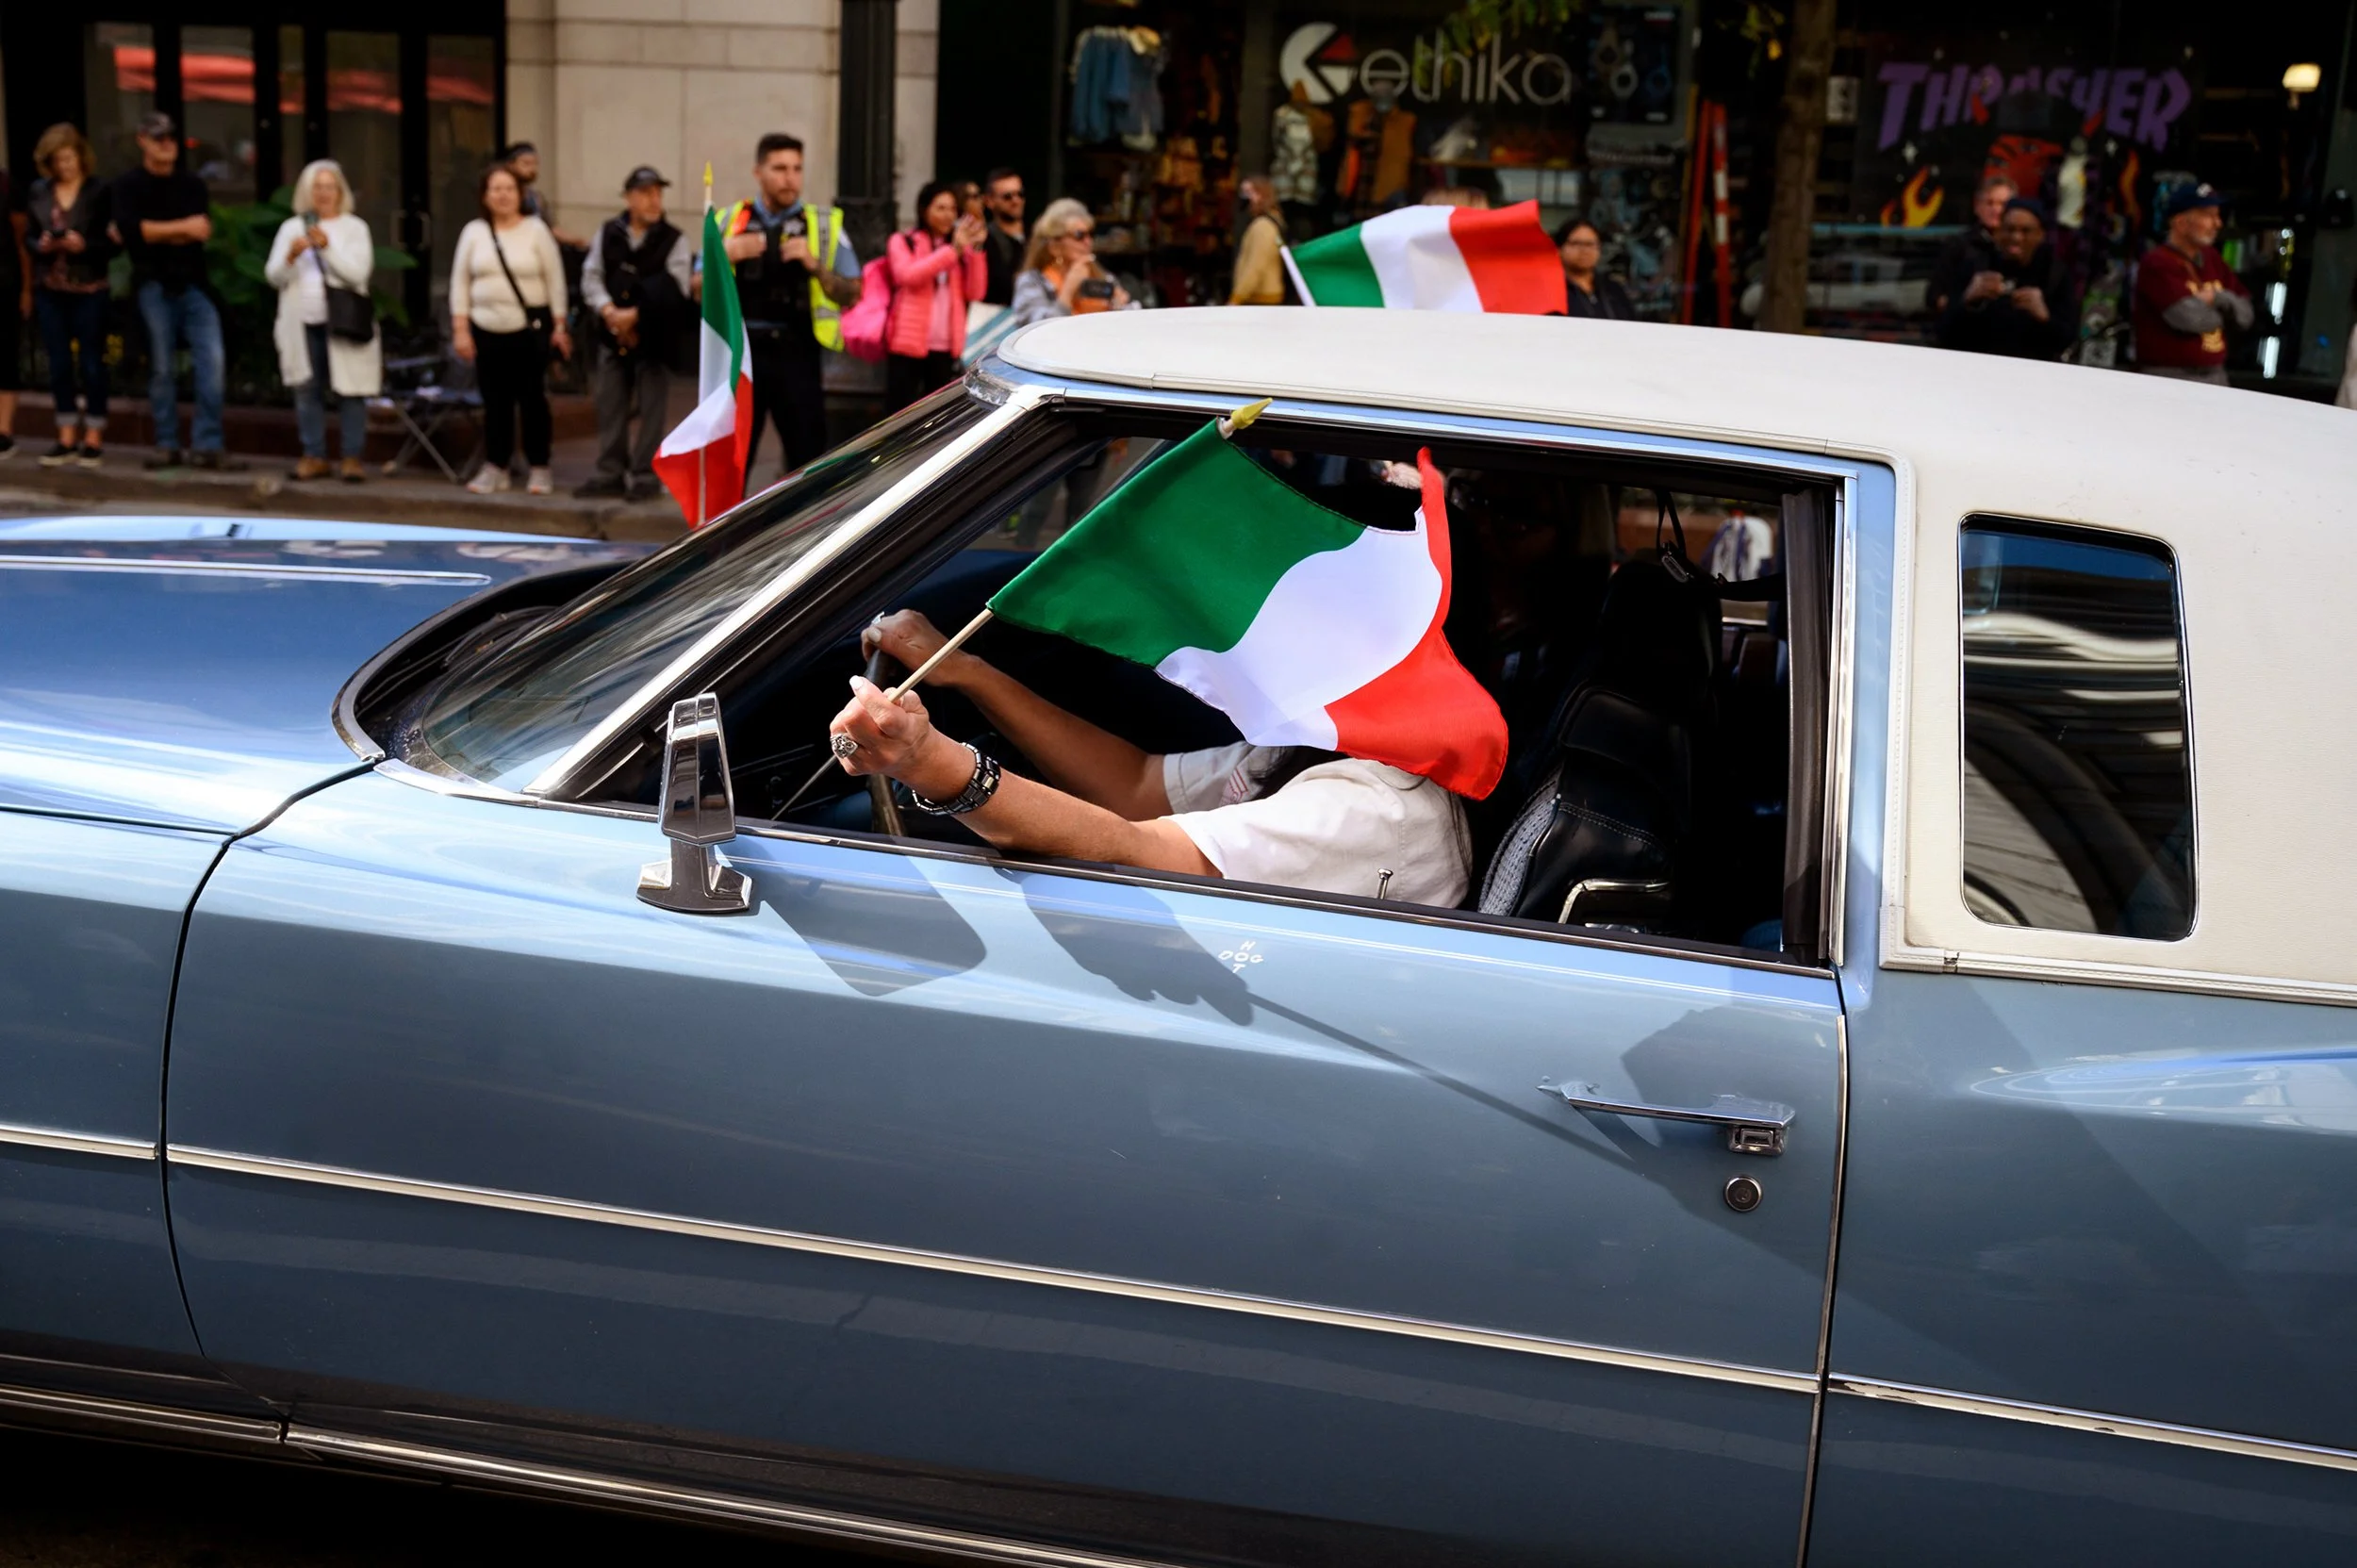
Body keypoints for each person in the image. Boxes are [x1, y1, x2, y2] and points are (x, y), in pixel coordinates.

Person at [827, 609, 1473, 906]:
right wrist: (969, 672)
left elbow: (1133, 848)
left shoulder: (1377, 808)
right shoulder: (1332, 743)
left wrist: (930, 762)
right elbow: (1136, 787)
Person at [111, 112, 241, 471]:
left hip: (194, 283)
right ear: (142, 140)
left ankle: (208, 443)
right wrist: (177, 229)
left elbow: (200, 231)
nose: (167, 144)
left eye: (170, 137)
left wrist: (155, 231)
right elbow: (132, 233)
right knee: (162, 366)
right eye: (159, 138)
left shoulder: (192, 184)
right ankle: (166, 443)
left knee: (212, 360)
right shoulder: (127, 185)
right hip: (152, 283)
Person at [450, 162, 571, 494]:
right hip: (485, 329)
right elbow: (460, 282)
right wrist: (460, 329)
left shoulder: (536, 230)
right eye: (496, 189)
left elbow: (555, 280)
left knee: (532, 400)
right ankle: (496, 466)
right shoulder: (474, 232)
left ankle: (539, 467)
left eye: (509, 189)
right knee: (494, 402)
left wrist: (560, 325)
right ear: (485, 196)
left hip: (529, 329)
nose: (502, 195)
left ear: (520, 194)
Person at [263, 160, 382, 483]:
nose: (323, 193)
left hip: (343, 321)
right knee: (306, 389)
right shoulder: (291, 228)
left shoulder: (355, 228)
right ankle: (314, 455)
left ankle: (351, 458)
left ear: (340, 191)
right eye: (317, 187)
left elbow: (358, 274)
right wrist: (291, 256)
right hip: (303, 321)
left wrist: (326, 248)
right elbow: (273, 276)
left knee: (351, 389)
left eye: (330, 187)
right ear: (307, 191)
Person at [578, 165, 691, 499]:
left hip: (653, 338)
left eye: (658, 193)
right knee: (610, 405)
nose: (654, 200)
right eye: (645, 193)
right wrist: (609, 312)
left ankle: (645, 475)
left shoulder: (674, 238)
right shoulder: (608, 232)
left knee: (652, 410)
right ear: (629, 198)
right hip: (611, 334)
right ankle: (609, 472)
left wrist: (636, 316)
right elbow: (592, 276)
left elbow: (677, 287)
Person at [25, 124, 110, 469]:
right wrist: (42, 245)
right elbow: (29, 237)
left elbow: (112, 242)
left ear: (81, 157)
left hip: (89, 287)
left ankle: (94, 436)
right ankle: (65, 435)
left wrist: (84, 245)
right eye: (58, 160)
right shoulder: (39, 191)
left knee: (91, 362)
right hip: (51, 287)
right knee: (58, 363)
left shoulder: (98, 191)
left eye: (69, 158)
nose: (65, 166)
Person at [2133, 183, 2252, 386]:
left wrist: (2217, 298)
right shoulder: (2158, 262)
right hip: (2169, 377)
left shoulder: (2212, 258)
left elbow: (2246, 315)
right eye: (2208, 216)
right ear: (2180, 222)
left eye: (2217, 215)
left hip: (2215, 375)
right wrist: (2228, 313)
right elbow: (2189, 319)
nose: (2218, 223)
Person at [883, 181, 989, 411]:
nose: (948, 215)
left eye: (952, 209)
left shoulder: (959, 247)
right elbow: (907, 276)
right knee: (901, 412)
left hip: (946, 346)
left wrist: (976, 250)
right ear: (924, 210)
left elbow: (976, 292)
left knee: (937, 415)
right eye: (940, 208)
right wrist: (953, 252)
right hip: (908, 344)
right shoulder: (903, 241)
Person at [1934, 197, 2075, 360]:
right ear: (1998, 232)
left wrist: (2044, 317)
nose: (2016, 238)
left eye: (2026, 231)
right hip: (1980, 364)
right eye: (2010, 229)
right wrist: (1968, 299)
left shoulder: (2054, 275)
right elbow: (1943, 333)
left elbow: (2067, 340)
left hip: (2033, 367)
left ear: (2040, 235)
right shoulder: (1976, 266)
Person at [1006, 197, 1132, 328]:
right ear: (1055, 246)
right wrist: (1068, 291)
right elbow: (1034, 329)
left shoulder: (1102, 276)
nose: (1088, 242)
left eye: (1090, 234)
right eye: (1079, 235)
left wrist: (1120, 307)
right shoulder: (1032, 281)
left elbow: (1130, 318)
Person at [1928, 174, 2014, 317]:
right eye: (1989, 203)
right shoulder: (1957, 245)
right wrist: (1968, 296)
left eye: (2002, 204)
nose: (1996, 210)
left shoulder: (2020, 248)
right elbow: (1934, 299)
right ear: (1977, 206)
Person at [500, 141, 588, 249]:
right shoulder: (501, 197)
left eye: (535, 164)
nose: (532, 169)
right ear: (510, 165)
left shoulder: (536, 198)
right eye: (526, 164)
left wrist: (576, 240)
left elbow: (550, 229)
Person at [1556, 218, 1638, 321]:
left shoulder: (1613, 290)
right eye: (1576, 243)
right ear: (1559, 249)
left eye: (1590, 244)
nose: (1584, 250)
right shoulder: (1551, 292)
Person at [0, 157, 26, 461]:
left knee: (6, 357)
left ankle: (4, 431)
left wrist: (26, 289)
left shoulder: (7, 186)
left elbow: (21, 243)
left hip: (5, 284)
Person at [1229, 175, 1286, 305]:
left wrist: (1237, 297)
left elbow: (1255, 265)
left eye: (1248, 193)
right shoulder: (1272, 222)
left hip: (1260, 298)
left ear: (1260, 195)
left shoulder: (1263, 226)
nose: (1245, 199)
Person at [979, 168, 1028, 307]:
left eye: (1020, 194)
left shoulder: (1037, 237)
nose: (1016, 201)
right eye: (1007, 196)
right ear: (989, 201)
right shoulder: (983, 240)